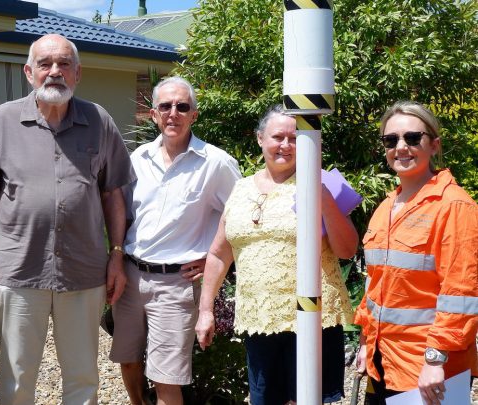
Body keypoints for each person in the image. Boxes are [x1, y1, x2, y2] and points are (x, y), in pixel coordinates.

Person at [0, 33, 133, 404]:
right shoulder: (1, 121)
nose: (54, 72)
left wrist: (117, 255)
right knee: (17, 376)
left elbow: (113, 194)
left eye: (63, 64)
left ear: (77, 73)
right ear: (29, 72)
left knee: (83, 375)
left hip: (84, 272)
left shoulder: (99, 121)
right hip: (19, 272)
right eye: (45, 64)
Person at [195, 105, 357, 404]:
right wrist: (205, 311)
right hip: (260, 320)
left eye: (294, 138)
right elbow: (219, 254)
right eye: (277, 136)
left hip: (310, 318)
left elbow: (347, 250)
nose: (285, 145)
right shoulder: (241, 189)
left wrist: (324, 199)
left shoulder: (321, 182)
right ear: (260, 139)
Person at [109, 76, 241, 405]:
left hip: (177, 283)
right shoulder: (137, 159)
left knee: (165, 377)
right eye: (165, 106)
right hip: (132, 276)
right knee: (128, 360)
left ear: (193, 115)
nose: (173, 113)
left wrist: (218, 260)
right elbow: (123, 214)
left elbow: (244, 217)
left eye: (182, 106)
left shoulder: (216, 163)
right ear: (153, 114)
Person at [353, 101, 478, 405]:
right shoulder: (386, 208)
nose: (401, 147)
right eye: (391, 140)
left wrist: (435, 360)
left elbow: (461, 293)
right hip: (383, 361)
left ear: (434, 145)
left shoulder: (454, 206)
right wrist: (366, 343)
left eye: (412, 138)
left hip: (429, 369)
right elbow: (376, 286)